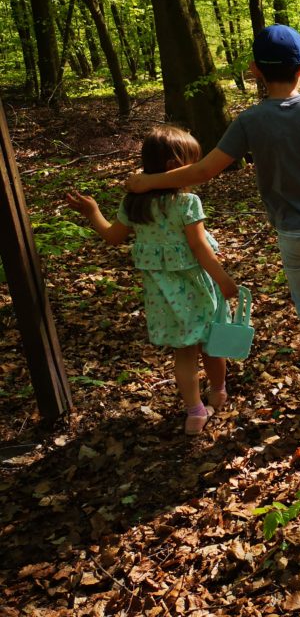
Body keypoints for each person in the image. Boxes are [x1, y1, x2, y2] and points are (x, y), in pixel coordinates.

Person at [127, 24, 300, 418]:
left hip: (294, 235)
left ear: (255, 70)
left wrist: (149, 181)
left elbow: (202, 172)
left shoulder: (250, 121)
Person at [66, 126, 238, 436]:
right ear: (174, 167)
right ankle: (218, 392)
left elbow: (112, 236)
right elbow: (199, 248)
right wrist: (224, 280)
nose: (197, 171)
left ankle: (195, 412)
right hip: (199, 289)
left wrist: (93, 212)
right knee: (214, 343)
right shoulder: (187, 204)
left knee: (184, 352)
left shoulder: (135, 204)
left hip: (163, 296)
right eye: (193, 164)